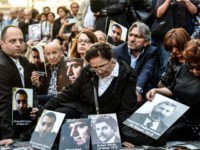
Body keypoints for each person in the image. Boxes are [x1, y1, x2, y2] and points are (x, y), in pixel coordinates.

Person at [41, 42, 138, 129]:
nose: (98, 71)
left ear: (111, 60)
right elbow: (71, 91)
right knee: (57, 115)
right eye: (94, 67)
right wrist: (46, 108)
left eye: (102, 66)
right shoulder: (89, 70)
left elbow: (126, 108)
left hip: (108, 119)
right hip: (83, 109)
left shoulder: (127, 75)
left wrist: (120, 135)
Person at [146, 39, 200, 143]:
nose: (194, 71)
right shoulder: (184, 68)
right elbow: (172, 89)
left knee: (159, 137)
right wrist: (156, 90)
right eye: (190, 66)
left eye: (198, 67)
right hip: (176, 115)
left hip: (194, 123)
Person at [0, 25, 36, 146]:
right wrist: (8, 135)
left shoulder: (23, 61)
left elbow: (30, 90)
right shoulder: (1, 65)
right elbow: (4, 101)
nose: (18, 44)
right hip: (7, 122)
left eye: (21, 40)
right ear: (2, 43)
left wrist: (35, 108)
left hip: (23, 117)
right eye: (12, 41)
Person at [113, 21, 159, 102]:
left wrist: (137, 90)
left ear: (146, 42)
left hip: (143, 91)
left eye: (137, 36)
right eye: (130, 35)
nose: (132, 39)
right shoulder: (117, 51)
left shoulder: (152, 51)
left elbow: (146, 72)